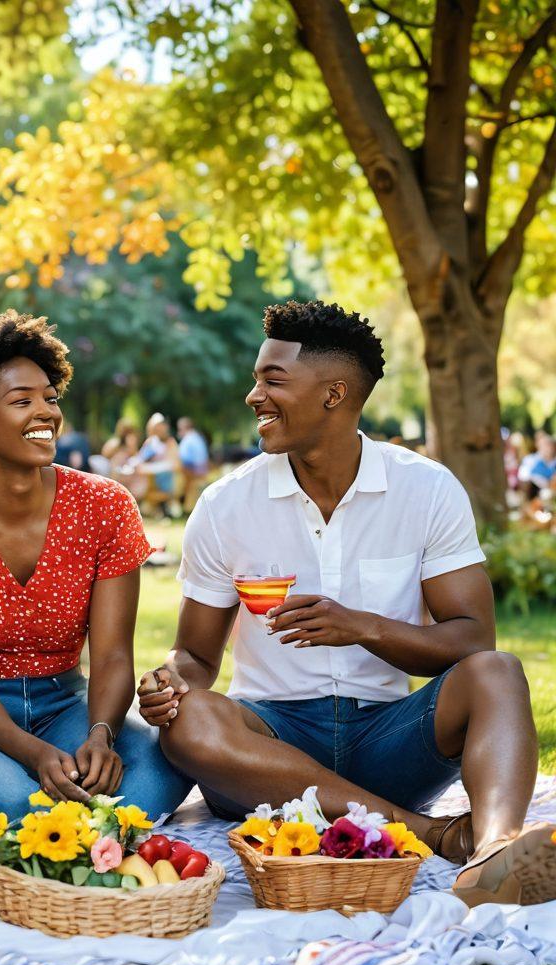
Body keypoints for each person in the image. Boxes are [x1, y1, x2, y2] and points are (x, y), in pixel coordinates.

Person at [138, 299, 554, 908]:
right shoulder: (225, 506)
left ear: (334, 394)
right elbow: (196, 655)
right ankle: (436, 835)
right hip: (269, 753)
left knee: (498, 672)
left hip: (389, 741)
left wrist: (363, 628)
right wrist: (170, 683)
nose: (254, 396)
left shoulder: (426, 489)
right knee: (190, 720)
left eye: (272, 380)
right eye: (257, 379)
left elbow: (471, 640)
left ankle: (493, 852)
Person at [0, 310, 192, 828]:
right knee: (17, 808)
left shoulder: (106, 506)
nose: (46, 413)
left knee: (168, 765)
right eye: (21, 401)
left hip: (65, 706)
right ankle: (57, 817)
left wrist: (101, 734)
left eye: (50, 397)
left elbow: (114, 654)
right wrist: (34, 756)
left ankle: (73, 818)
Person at [177, 417, 210, 513]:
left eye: (179, 429)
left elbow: (184, 460)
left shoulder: (188, 439)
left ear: (184, 428)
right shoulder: (198, 437)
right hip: (202, 472)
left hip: (193, 474)